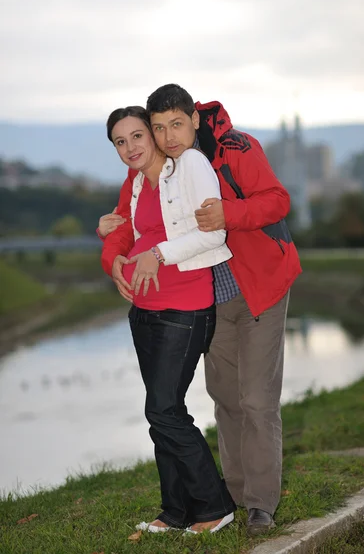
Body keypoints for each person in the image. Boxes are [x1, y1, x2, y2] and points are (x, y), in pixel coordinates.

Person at [98, 85, 302, 535]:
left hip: (260, 285)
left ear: (194, 118)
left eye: (176, 124)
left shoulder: (235, 148)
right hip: (213, 295)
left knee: (257, 400)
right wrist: (110, 251)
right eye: (158, 128)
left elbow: (277, 200)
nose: (168, 136)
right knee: (226, 399)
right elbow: (128, 223)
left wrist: (228, 214)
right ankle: (231, 494)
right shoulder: (156, 166)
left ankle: (261, 506)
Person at [103, 105, 236, 534]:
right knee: (162, 412)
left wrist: (156, 254)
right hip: (145, 310)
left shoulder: (186, 170)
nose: (130, 147)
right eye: (120, 142)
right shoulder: (137, 182)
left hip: (185, 307)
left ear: (154, 135)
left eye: (137, 136)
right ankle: (175, 512)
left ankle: (214, 506)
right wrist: (116, 253)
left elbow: (208, 233)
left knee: (163, 411)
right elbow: (129, 232)